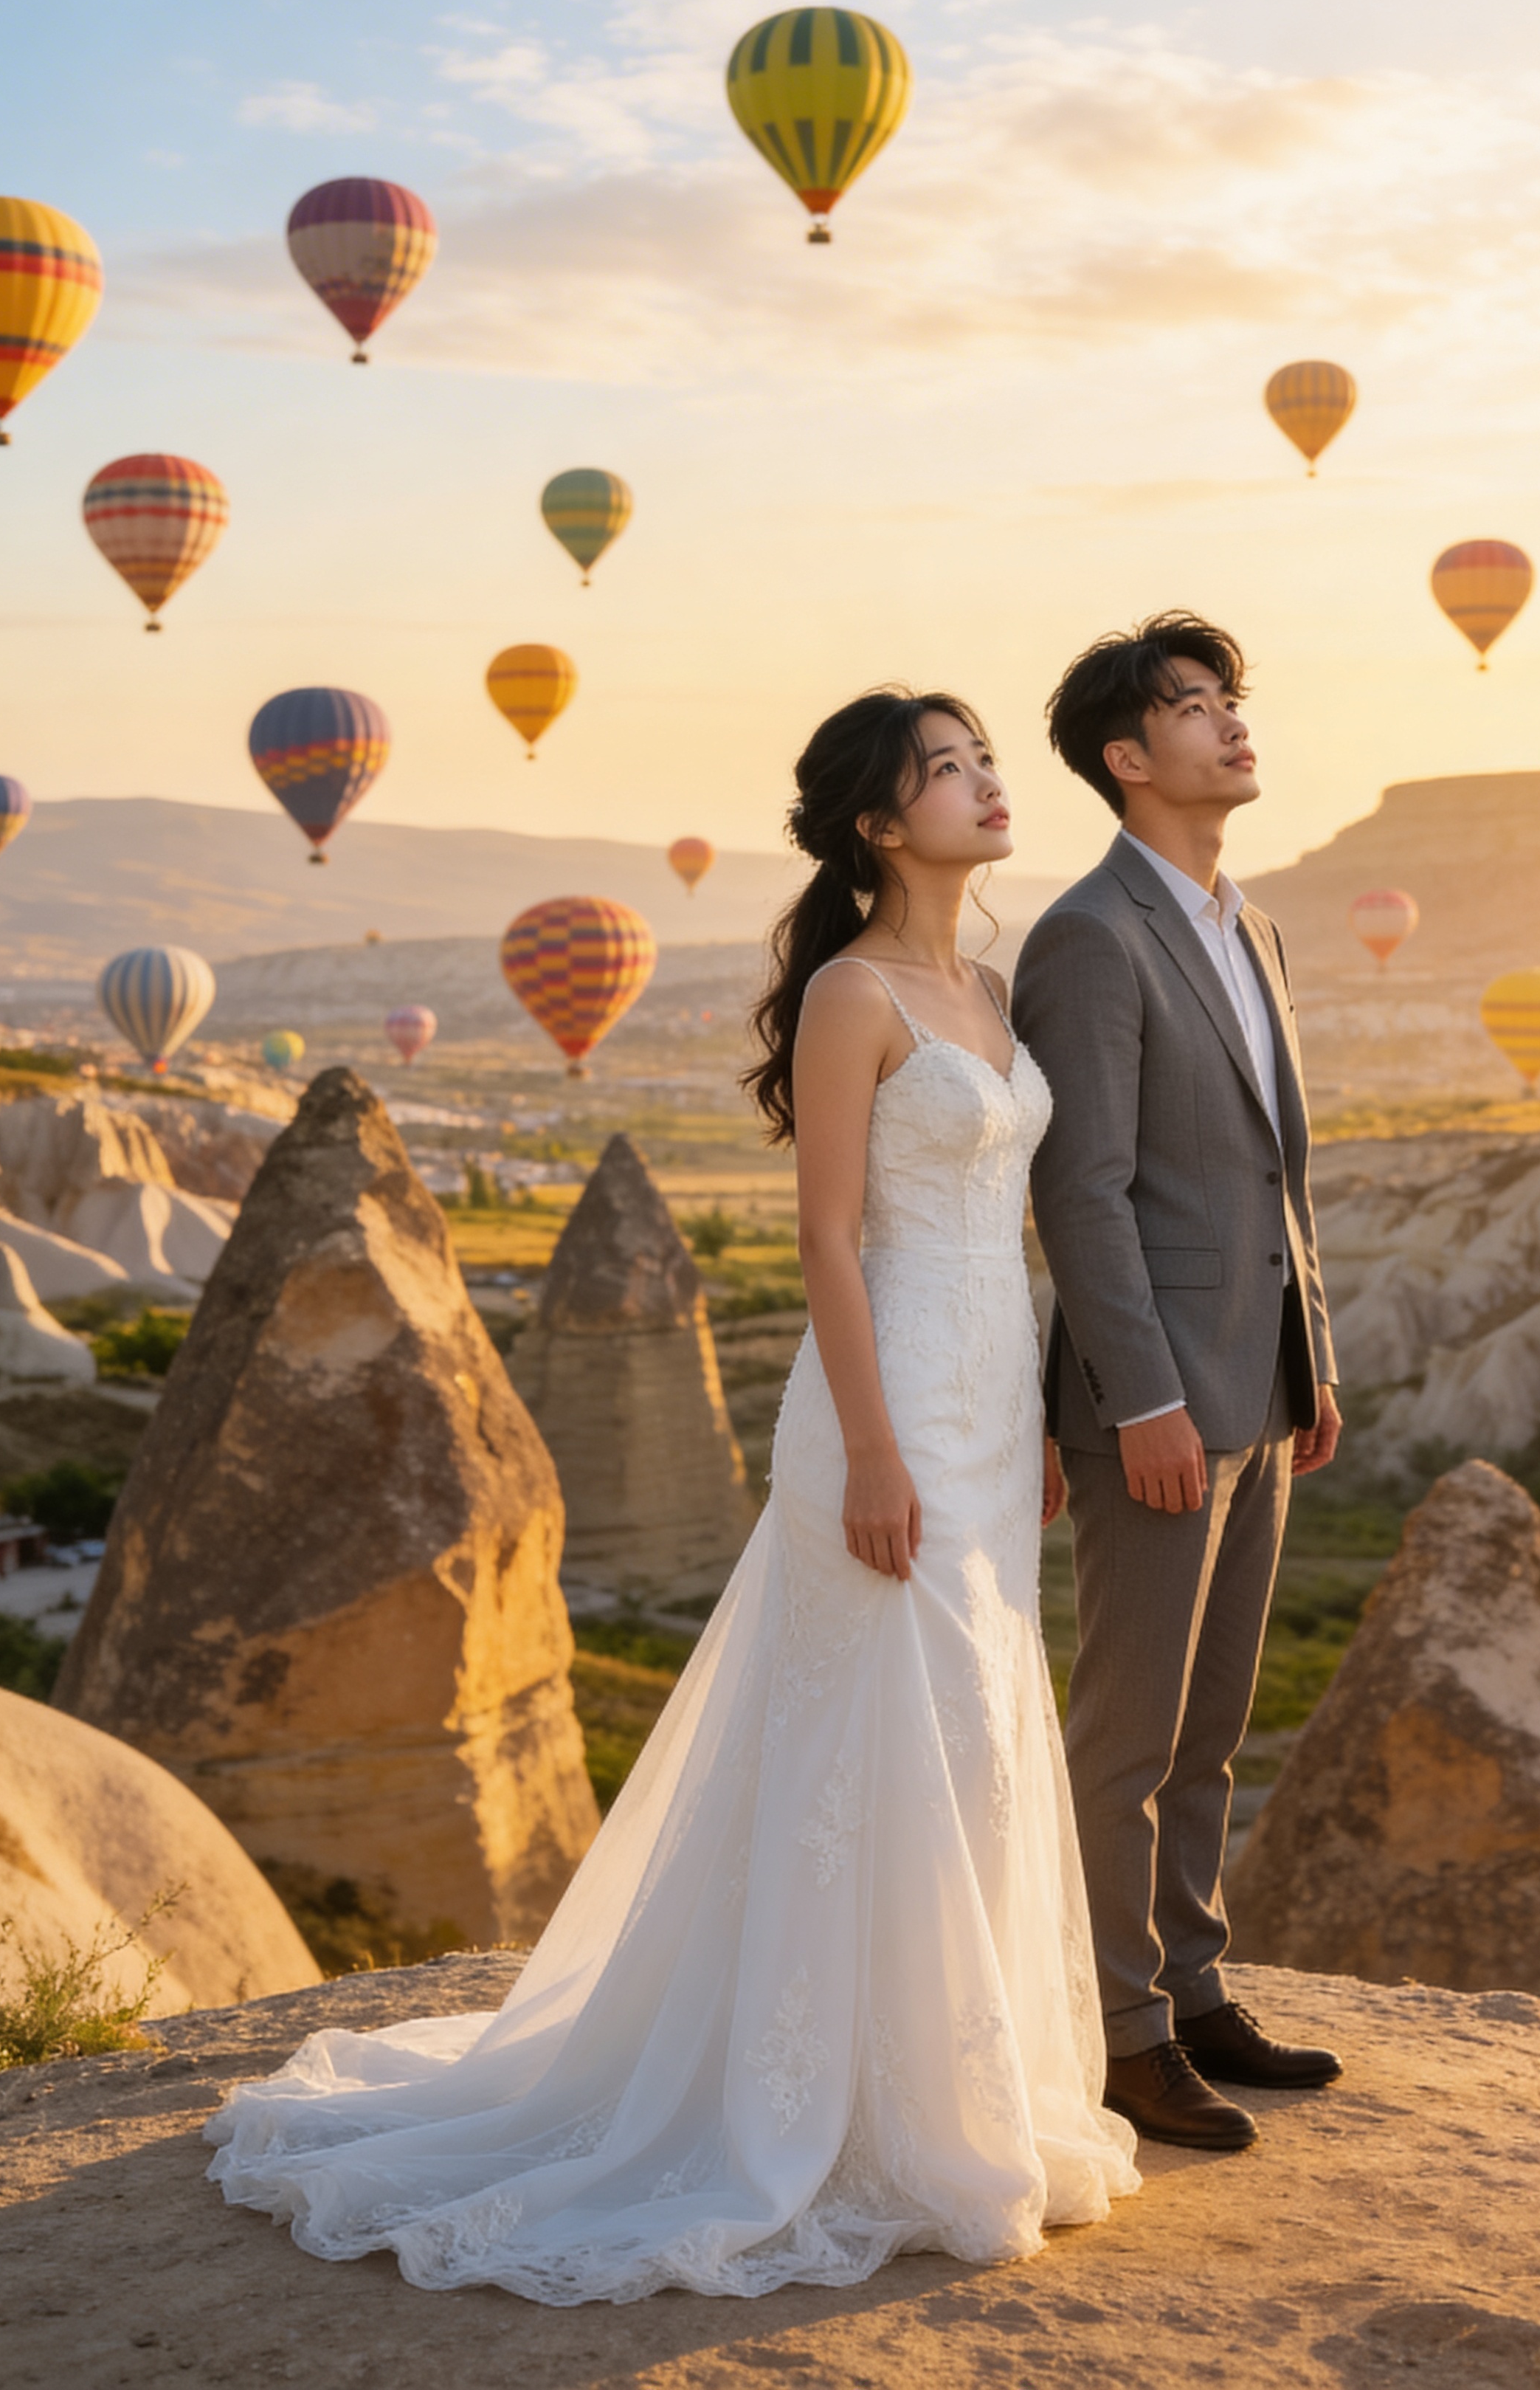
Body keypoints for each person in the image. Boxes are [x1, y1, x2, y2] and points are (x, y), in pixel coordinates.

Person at [204, 689, 1138, 2300]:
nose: (989, 785)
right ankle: (820, 2112)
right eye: (950, 767)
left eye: (988, 759)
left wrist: (1043, 1417)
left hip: (993, 1400)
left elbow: (1026, 1227)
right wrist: (875, 1445)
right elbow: (830, 1239)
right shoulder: (854, 992)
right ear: (875, 820)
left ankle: (952, 2079)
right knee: (883, 1731)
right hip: (892, 1394)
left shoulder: (985, 982)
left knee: (977, 1727)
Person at [1012, 614, 1343, 2155]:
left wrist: (1310, 1359)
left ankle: (1196, 1986)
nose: (1232, 725)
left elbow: (1276, 1172)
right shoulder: (1089, 934)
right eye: (1193, 708)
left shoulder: (1253, 925)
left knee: (1214, 1722)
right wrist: (1140, 1398)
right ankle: (1121, 2030)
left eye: (1232, 699)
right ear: (1125, 760)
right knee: (1129, 1731)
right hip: (1156, 1397)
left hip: (1260, 1386)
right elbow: (1085, 1189)